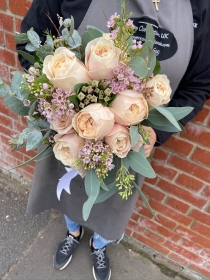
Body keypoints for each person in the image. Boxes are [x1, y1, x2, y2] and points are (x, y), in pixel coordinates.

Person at [17, 1, 210, 280]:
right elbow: (30, 47)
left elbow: (199, 85)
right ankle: (73, 230)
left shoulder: (200, 8)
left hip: (129, 146)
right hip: (72, 134)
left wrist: (156, 132)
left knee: (113, 204)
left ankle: (99, 244)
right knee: (66, 188)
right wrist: (61, 104)